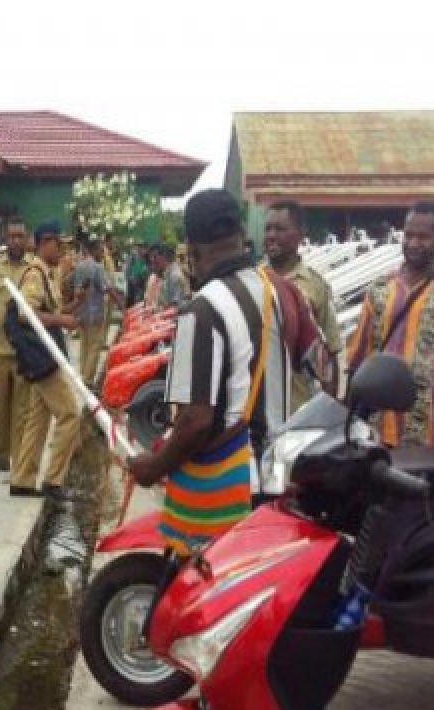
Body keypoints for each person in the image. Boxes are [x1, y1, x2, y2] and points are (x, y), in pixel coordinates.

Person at [125, 190, 277, 556]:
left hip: (226, 486)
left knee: (202, 592)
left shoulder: (202, 309)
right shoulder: (275, 291)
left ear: (191, 250)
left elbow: (195, 420)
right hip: (272, 475)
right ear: (242, 236)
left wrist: (155, 465)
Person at [345, 202, 434, 447]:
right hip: (378, 428)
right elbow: (358, 355)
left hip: (429, 433)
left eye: (423, 236)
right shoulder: (380, 288)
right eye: (409, 235)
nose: (414, 243)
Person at [9, 222, 82, 499]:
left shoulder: (48, 274)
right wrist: (61, 319)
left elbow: (50, 310)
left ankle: (23, 480)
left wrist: (70, 309)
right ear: (45, 243)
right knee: (70, 414)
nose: (63, 250)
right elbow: (25, 314)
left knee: (38, 420)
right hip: (42, 356)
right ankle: (54, 481)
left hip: (45, 356)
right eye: (59, 244)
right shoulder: (36, 274)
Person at [264, 201, 343, 405]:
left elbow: (331, 351)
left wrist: (328, 409)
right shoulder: (253, 280)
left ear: (300, 234)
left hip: (298, 409)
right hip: (257, 410)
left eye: (280, 229)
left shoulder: (316, 287)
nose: (271, 235)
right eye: (268, 229)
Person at [0, 217, 33, 472]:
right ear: (5, 239)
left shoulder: (35, 269)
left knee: (22, 408)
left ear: (27, 239)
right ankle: (3, 453)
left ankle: (17, 455)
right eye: (11, 236)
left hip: (25, 353)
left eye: (20, 236)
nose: (15, 240)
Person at [70, 236, 121, 385]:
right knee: (94, 347)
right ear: (93, 250)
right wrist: (121, 304)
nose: (102, 253)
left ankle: (82, 375)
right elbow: (108, 288)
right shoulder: (98, 267)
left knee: (84, 346)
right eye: (100, 250)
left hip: (81, 312)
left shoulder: (79, 266)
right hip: (95, 313)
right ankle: (87, 380)